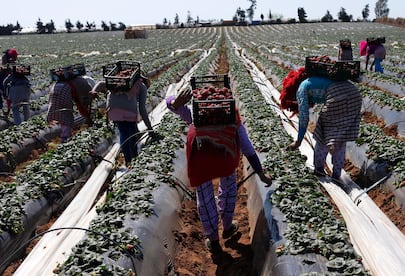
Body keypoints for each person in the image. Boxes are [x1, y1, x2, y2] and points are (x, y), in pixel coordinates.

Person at [166, 88, 272, 254]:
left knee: (205, 198)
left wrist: (174, 103)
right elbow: (248, 148)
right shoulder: (232, 119)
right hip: (225, 159)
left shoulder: (199, 117)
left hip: (200, 162)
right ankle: (228, 226)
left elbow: (172, 103)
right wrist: (259, 172)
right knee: (229, 190)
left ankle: (214, 239)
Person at [280, 67, 362, 180]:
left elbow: (304, 118)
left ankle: (319, 170)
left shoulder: (301, 89)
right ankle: (336, 175)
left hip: (338, 95)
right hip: (355, 95)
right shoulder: (314, 81)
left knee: (322, 134)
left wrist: (298, 141)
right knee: (341, 138)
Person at [105, 74, 154, 165]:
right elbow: (142, 109)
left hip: (112, 108)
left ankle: (128, 160)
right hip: (129, 110)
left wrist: (94, 91)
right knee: (131, 135)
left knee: (123, 131)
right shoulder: (142, 87)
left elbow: (101, 83)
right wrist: (149, 127)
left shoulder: (116, 82)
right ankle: (133, 159)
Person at [47, 74, 98, 142]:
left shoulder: (78, 81)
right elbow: (80, 104)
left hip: (55, 90)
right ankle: (65, 140)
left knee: (59, 113)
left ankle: (64, 136)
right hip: (64, 93)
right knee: (67, 117)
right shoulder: (82, 85)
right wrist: (87, 117)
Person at [1, 48, 18, 114]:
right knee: (4, 87)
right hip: (2, 74)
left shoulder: (13, 57)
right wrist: (8, 64)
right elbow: (4, 66)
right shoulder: (4, 57)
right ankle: (5, 107)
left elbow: (14, 66)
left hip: (9, 74)